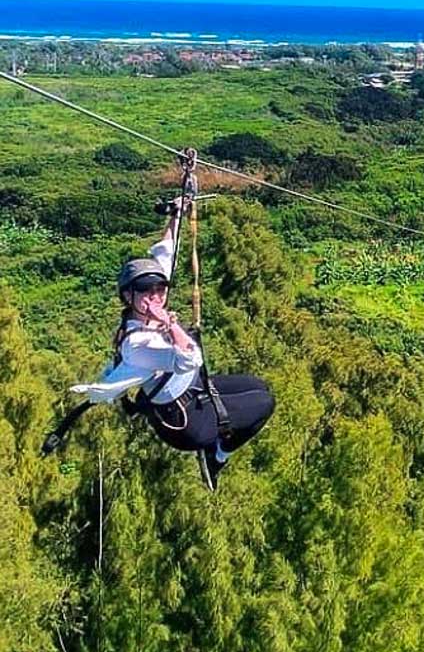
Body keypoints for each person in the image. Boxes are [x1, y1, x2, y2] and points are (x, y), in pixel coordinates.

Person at [69, 199, 275, 490]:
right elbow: (191, 358)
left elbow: (167, 251)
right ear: (128, 297)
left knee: (259, 385)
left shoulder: (149, 309)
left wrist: (177, 214)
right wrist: (171, 324)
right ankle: (218, 455)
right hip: (186, 422)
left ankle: (218, 443)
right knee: (265, 403)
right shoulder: (138, 343)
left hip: (193, 388)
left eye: (160, 289)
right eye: (144, 291)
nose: (154, 296)